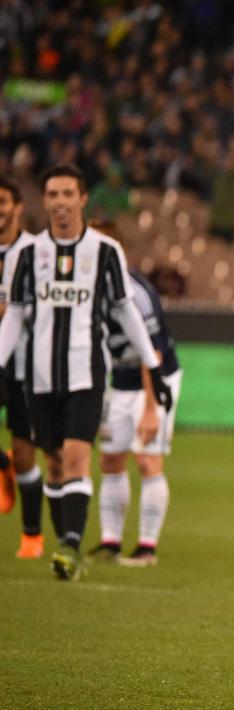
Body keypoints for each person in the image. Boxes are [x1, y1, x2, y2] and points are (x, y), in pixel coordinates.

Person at [0, 164, 172, 582]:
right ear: (44, 201)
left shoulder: (105, 252)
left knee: (78, 457)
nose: (59, 202)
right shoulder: (27, 255)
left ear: (81, 199)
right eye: (52, 194)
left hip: (87, 373)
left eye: (67, 194)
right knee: (54, 463)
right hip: (38, 376)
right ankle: (65, 542)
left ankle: (71, 548)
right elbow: (16, 316)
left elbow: (124, 309)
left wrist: (152, 362)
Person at [89, 221, 183, 567]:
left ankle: (147, 548)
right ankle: (111, 541)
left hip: (156, 382)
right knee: (111, 459)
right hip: (119, 383)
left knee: (146, 459)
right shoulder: (89, 289)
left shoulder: (136, 293)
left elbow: (152, 354)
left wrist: (149, 408)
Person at [0, 175, 44, 559]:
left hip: (23, 363)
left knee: (26, 454)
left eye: (2, 201)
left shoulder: (33, 251)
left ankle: (32, 535)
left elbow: (41, 310)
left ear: (17, 207)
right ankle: (2, 466)